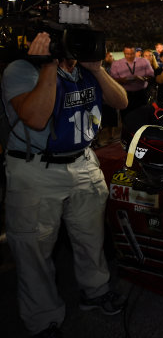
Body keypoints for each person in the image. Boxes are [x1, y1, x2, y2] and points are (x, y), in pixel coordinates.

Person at [1, 32, 129, 338]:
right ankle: (43, 318)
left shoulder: (86, 69)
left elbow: (120, 101)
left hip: (82, 161)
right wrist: (47, 65)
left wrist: (97, 69)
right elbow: (35, 118)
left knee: (90, 237)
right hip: (36, 167)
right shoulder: (21, 70)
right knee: (34, 249)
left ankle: (94, 290)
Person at [109, 44, 155, 119]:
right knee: (126, 117)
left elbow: (151, 76)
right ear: (124, 53)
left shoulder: (144, 62)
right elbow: (112, 80)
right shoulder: (117, 64)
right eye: (127, 54)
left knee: (142, 117)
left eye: (132, 53)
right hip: (125, 94)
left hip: (141, 94)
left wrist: (142, 78)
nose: (130, 56)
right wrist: (121, 80)